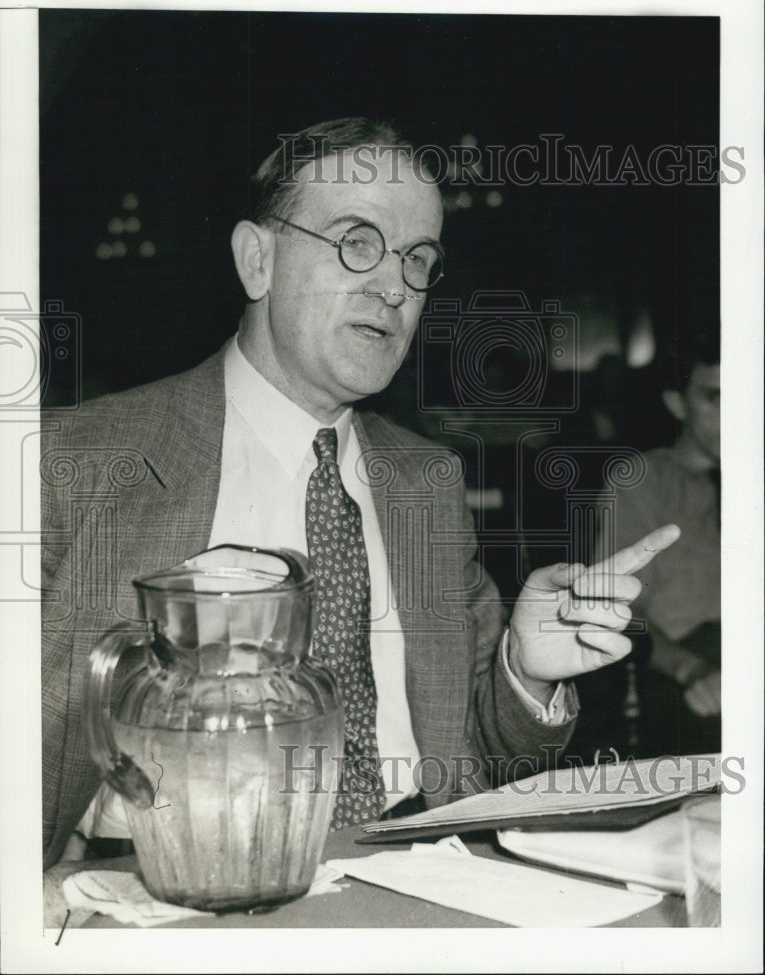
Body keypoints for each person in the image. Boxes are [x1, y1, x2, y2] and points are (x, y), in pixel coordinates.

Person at [41, 118, 679, 894]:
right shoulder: (75, 462)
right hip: (169, 884)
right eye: (356, 242)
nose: (395, 286)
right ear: (257, 259)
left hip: (423, 873)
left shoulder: (428, 481)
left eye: (418, 259)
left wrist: (523, 671)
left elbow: (483, 756)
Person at [592, 329, 720, 756]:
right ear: (677, 403)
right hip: (681, 676)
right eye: (716, 398)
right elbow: (621, 610)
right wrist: (693, 670)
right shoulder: (642, 481)